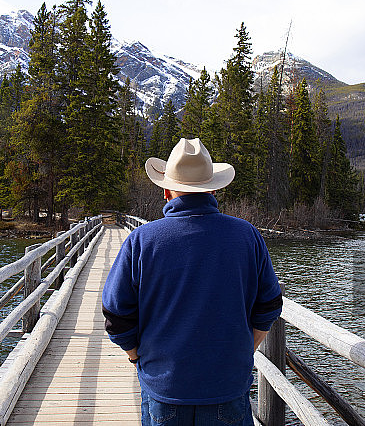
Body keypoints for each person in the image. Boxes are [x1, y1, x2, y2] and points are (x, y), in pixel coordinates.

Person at [102, 138, 283, 426]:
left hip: (165, 388)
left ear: (165, 191)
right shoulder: (246, 235)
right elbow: (270, 303)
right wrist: (246, 348)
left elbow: (115, 313)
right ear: (212, 188)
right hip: (228, 386)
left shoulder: (142, 240)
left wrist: (136, 356)